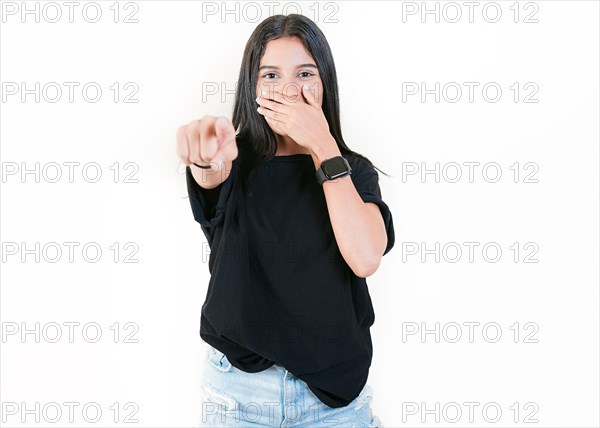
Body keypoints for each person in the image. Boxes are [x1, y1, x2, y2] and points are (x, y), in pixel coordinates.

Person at [176, 14, 395, 428]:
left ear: (324, 83)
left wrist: (322, 146)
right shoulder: (234, 162)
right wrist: (205, 158)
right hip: (239, 394)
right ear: (252, 87)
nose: (290, 89)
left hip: (334, 400)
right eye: (271, 74)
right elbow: (211, 171)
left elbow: (365, 257)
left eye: (305, 73)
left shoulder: (354, 171)